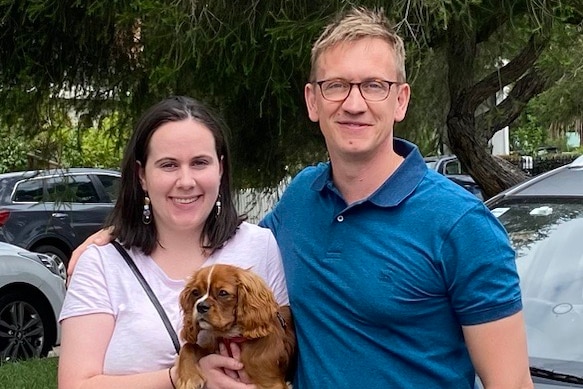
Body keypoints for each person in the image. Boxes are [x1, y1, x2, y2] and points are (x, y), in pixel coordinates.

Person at [69, 7, 533, 389]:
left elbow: (509, 383)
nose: (354, 103)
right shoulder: (300, 201)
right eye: (336, 86)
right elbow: (221, 236)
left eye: (374, 85)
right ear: (313, 101)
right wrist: (120, 233)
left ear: (401, 100)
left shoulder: (462, 224)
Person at [58, 96, 288, 389]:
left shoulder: (261, 245)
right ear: (142, 175)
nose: (186, 180)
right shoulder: (102, 263)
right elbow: (74, 385)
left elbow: (285, 350)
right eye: (168, 165)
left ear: (220, 168)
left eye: (200, 163)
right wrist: (178, 376)